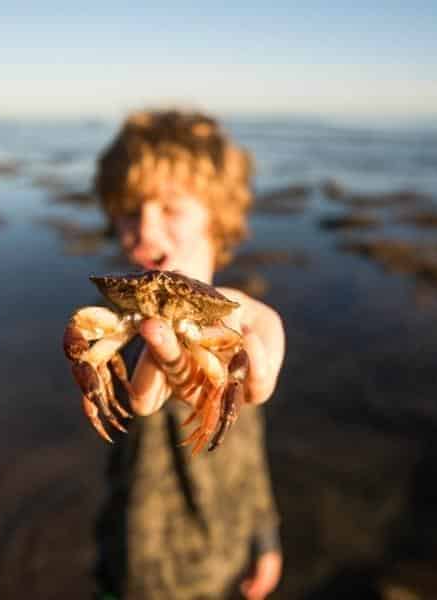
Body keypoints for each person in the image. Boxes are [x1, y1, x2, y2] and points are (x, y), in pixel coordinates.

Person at [88, 110, 285, 599]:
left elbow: (249, 452)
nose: (145, 230)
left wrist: (266, 534)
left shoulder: (236, 328)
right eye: (130, 211)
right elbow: (136, 383)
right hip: (138, 566)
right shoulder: (120, 326)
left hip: (227, 554)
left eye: (170, 208)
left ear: (219, 216)